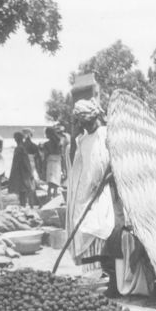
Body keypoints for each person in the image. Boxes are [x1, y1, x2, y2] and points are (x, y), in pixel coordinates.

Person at [66, 99, 114, 269]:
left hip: (105, 189)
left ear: (92, 118)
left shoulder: (106, 134)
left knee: (99, 226)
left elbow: (114, 162)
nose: (82, 125)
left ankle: (103, 269)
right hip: (85, 192)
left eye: (84, 121)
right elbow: (75, 164)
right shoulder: (83, 139)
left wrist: (106, 179)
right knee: (84, 227)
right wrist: (73, 136)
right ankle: (91, 269)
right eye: (80, 122)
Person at [8, 131, 35, 207]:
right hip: (22, 173)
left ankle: (26, 206)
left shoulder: (19, 149)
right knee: (26, 190)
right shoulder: (22, 148)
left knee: (23, 191)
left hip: (21, 173)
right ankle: (29, 206)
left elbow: (24, 162)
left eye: (15, 138)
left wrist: (29, 173)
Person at [43, 126, 63, 200]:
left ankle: (48, 198)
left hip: (50, 163)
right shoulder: (59, 143)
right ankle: (54, 198)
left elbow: (45, 156)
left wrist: (43, 166)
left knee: (50, 183)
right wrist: (64, 168)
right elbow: (62, 155)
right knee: (56, 183)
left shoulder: (46, 144)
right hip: (58, 163)